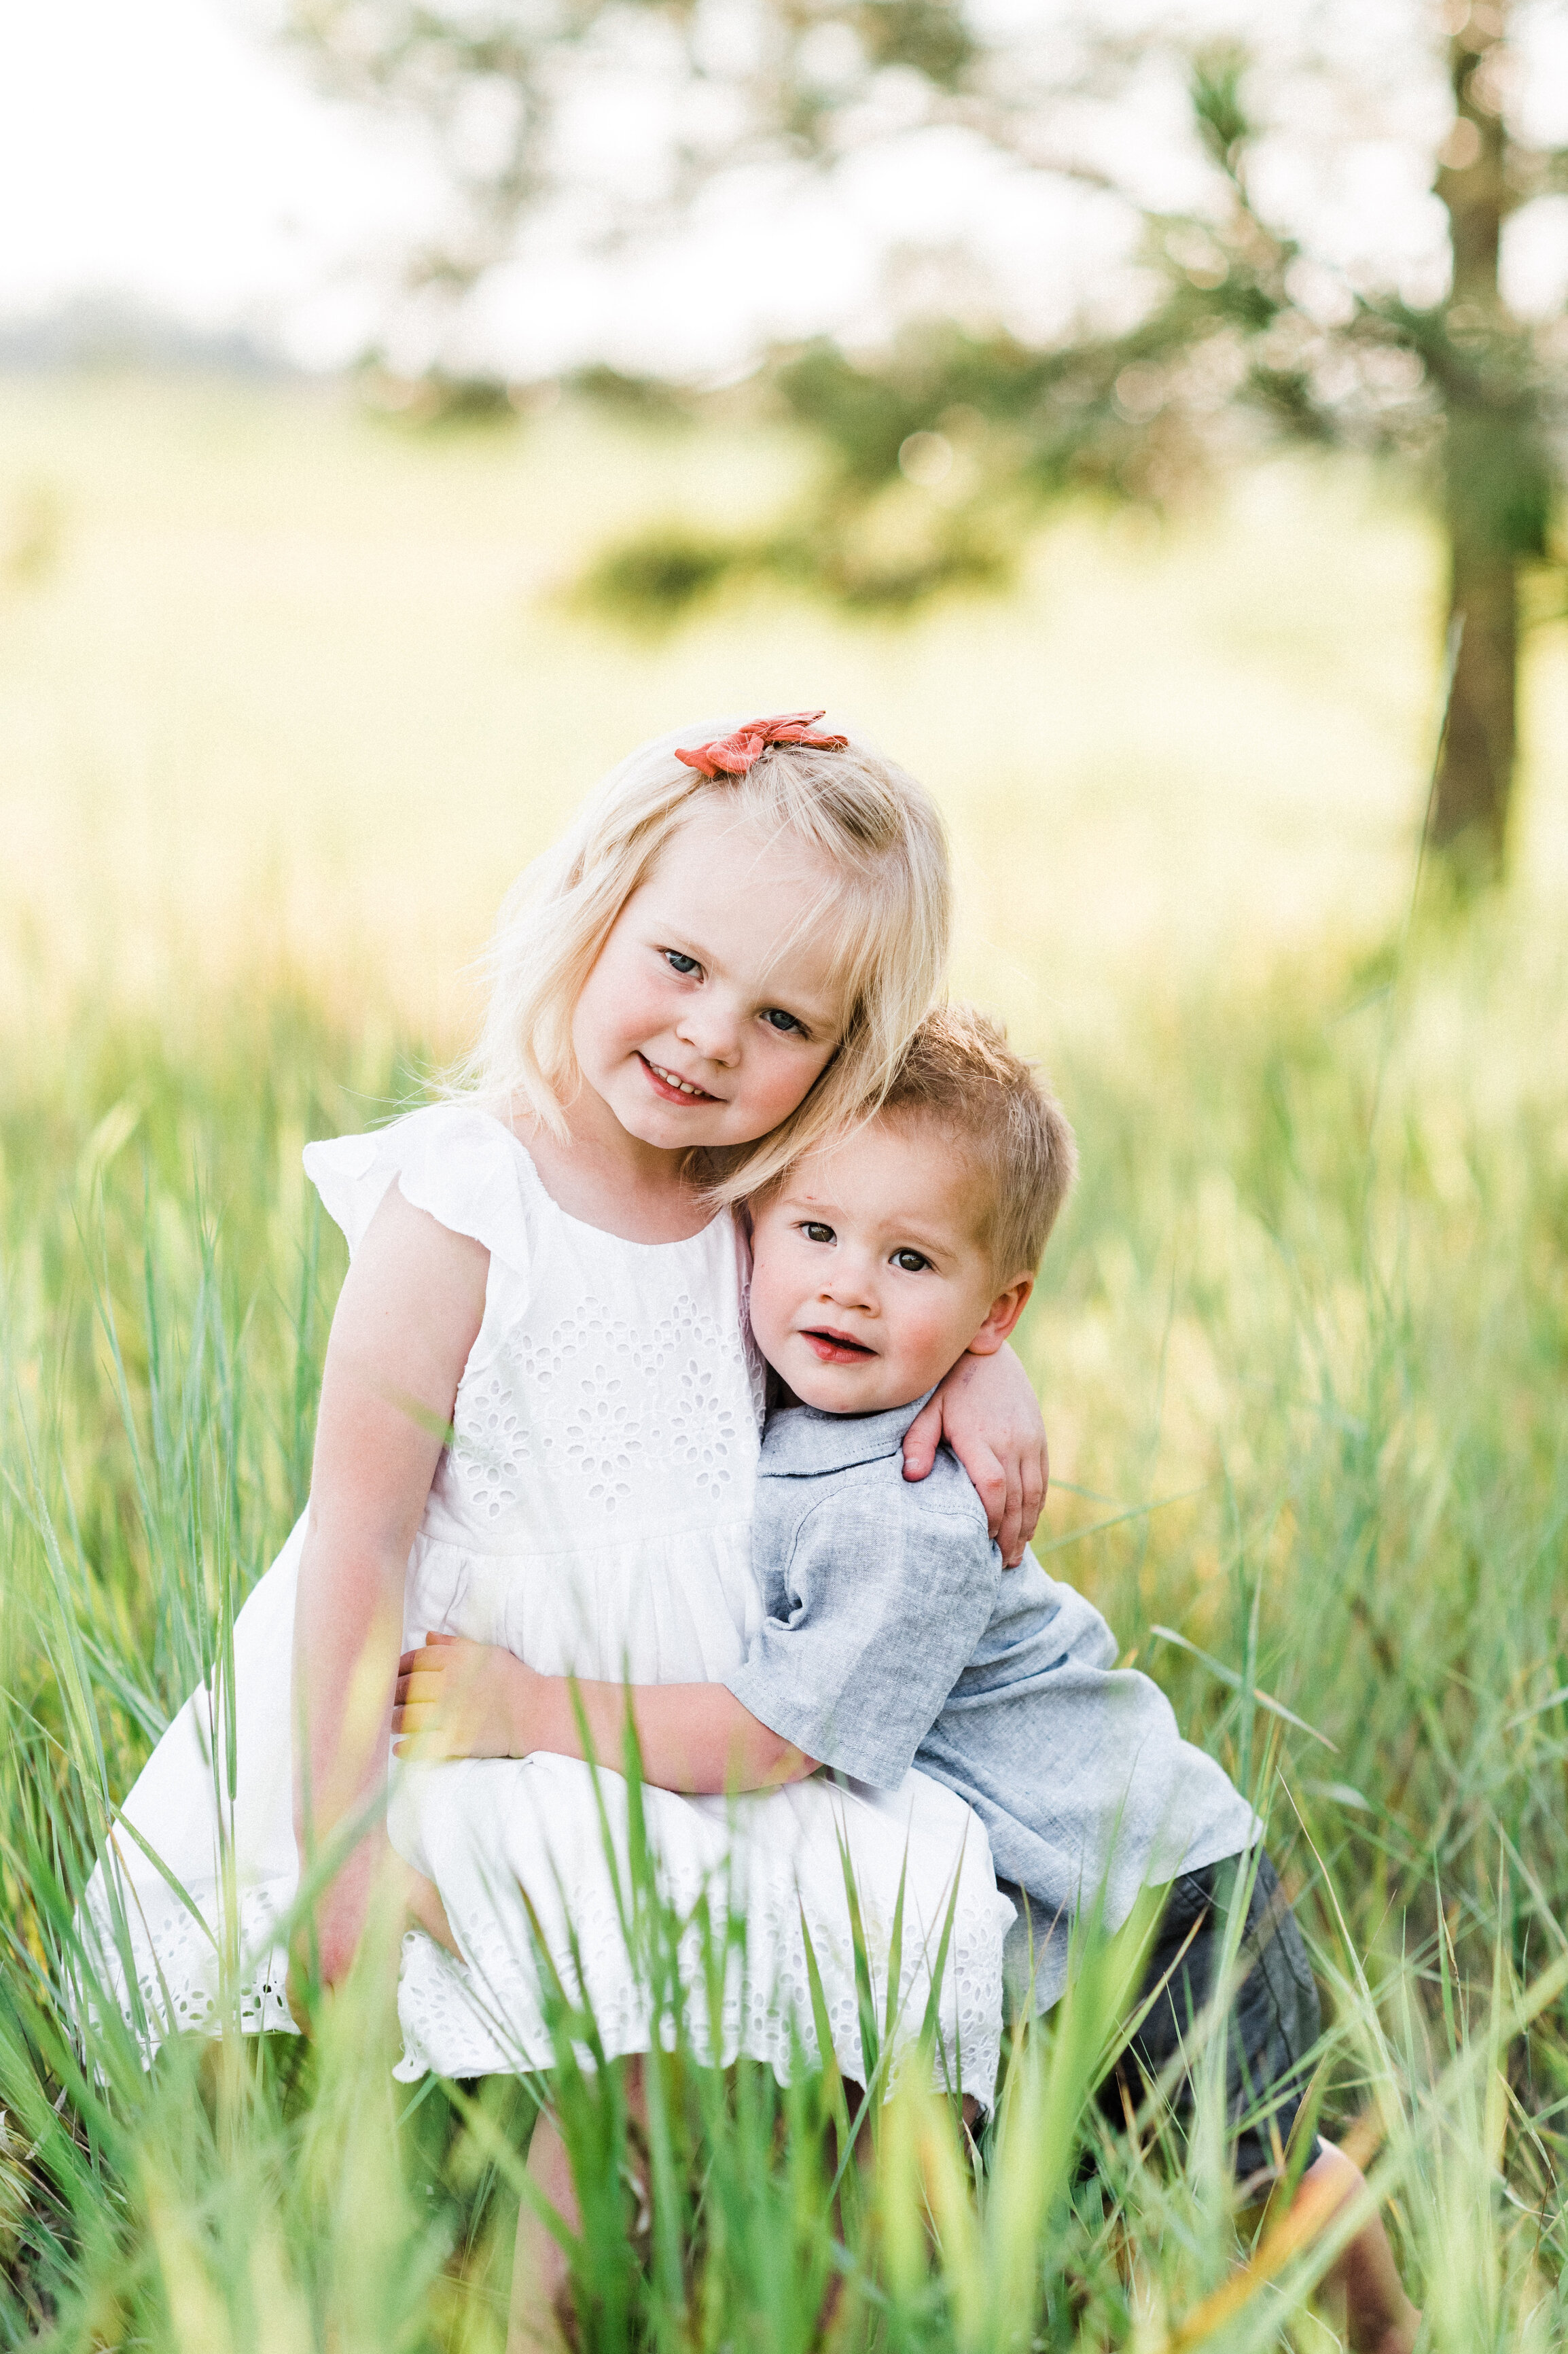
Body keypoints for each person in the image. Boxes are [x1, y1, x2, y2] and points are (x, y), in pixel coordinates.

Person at [76, 714, 1046, 2333]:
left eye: (783, 1016)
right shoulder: (464, 1195)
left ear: (844, 1051)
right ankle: (473, 2302)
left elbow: (914, 1253)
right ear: (591, 906)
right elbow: (357, 1536)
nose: (707, 1037)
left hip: (686, 1711)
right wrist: (338, 1836)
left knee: (892, 1904)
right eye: (676, 960)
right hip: (465, 1700)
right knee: (614, 1982)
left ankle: (813, 2279)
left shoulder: (760, 1187)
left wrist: (997, 1376)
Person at [397, 1006, 1419, 2353]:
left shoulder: (911, 1502)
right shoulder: (781, 1382)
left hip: (1145, 1892)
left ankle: (1389, 2325)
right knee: (1067, 2178)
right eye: (814, 1232)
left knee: (1249, 2168)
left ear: (994, 1310)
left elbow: (772, 1741)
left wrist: (527, 1707)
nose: (846, 1288)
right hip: (1040, 1890)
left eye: (910, 1259)